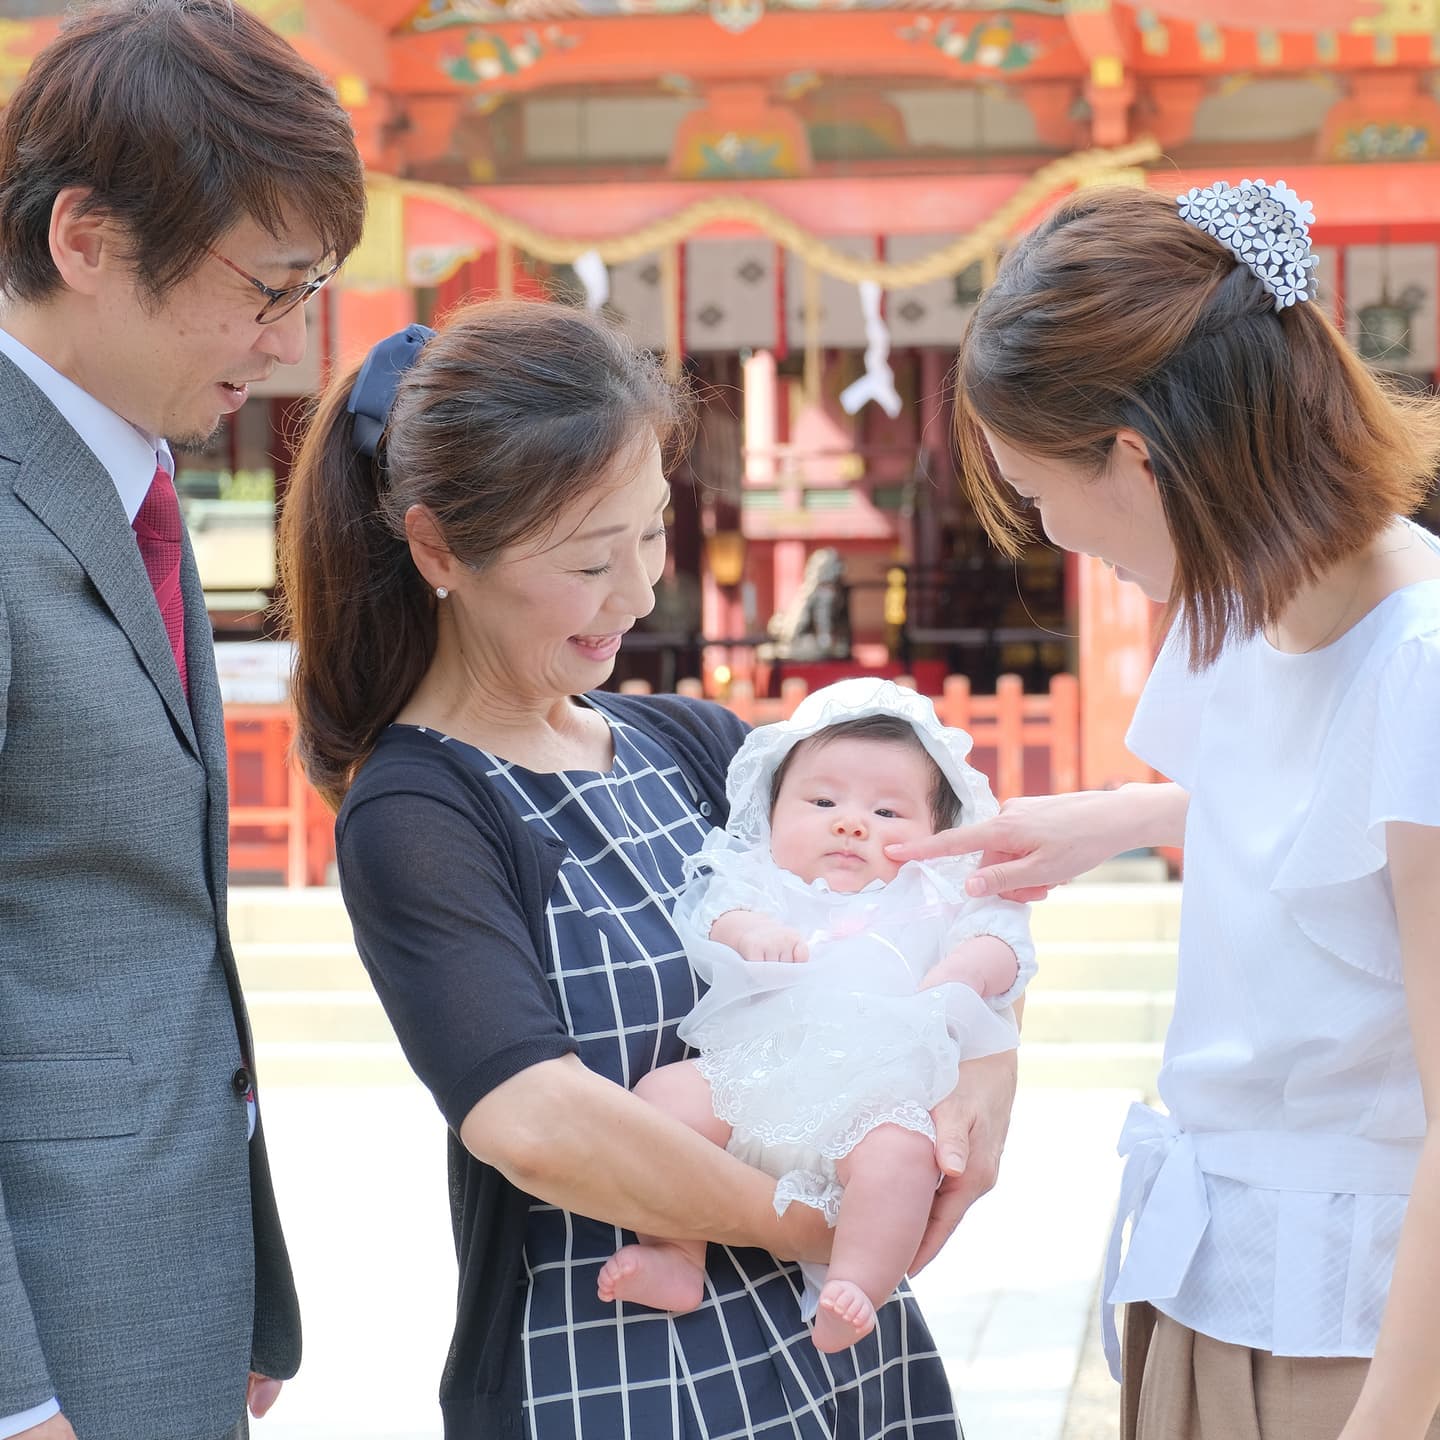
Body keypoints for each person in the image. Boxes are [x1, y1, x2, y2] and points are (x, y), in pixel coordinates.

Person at [279, 300, 1020, 1439]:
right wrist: (824, 1226)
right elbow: (534, 1122)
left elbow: (928, 899)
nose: (636, 592)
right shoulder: (421, 810)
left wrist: (974, 1102)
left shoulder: (700, 747)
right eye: (589, 559)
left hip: (838, 1356)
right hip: (619, 1374)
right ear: (438, 551)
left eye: (652, 533)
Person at [888, 178, 1440, 1440]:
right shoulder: (1249, 597)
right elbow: (1337, 823)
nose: (1049, 533)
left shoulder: (1420, 661)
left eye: (1037, 492)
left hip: (1359, 1332)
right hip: (1207, 1275)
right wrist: (1131, 817)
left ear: (1138, 459)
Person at [0, 4, 366, 1437]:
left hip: (157, 1291)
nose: (289, 344)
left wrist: (240, 1286)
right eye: (267, 290)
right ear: (87, 239)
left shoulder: (118, 472)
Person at [596, 678, 1033, 1353]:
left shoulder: (936, 896)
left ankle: (854, 1285)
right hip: (751, 1080)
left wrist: (972, 966)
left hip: (873, 1099)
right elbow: (713, 910)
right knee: (661, 1100)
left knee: (904, 1158)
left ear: (939, 835)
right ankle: (676, 1255)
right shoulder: (763, 879)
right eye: (823, 801)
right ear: (771, 811)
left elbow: (1004, 939)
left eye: (888, 812)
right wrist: (746, 931)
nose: (851, 824)